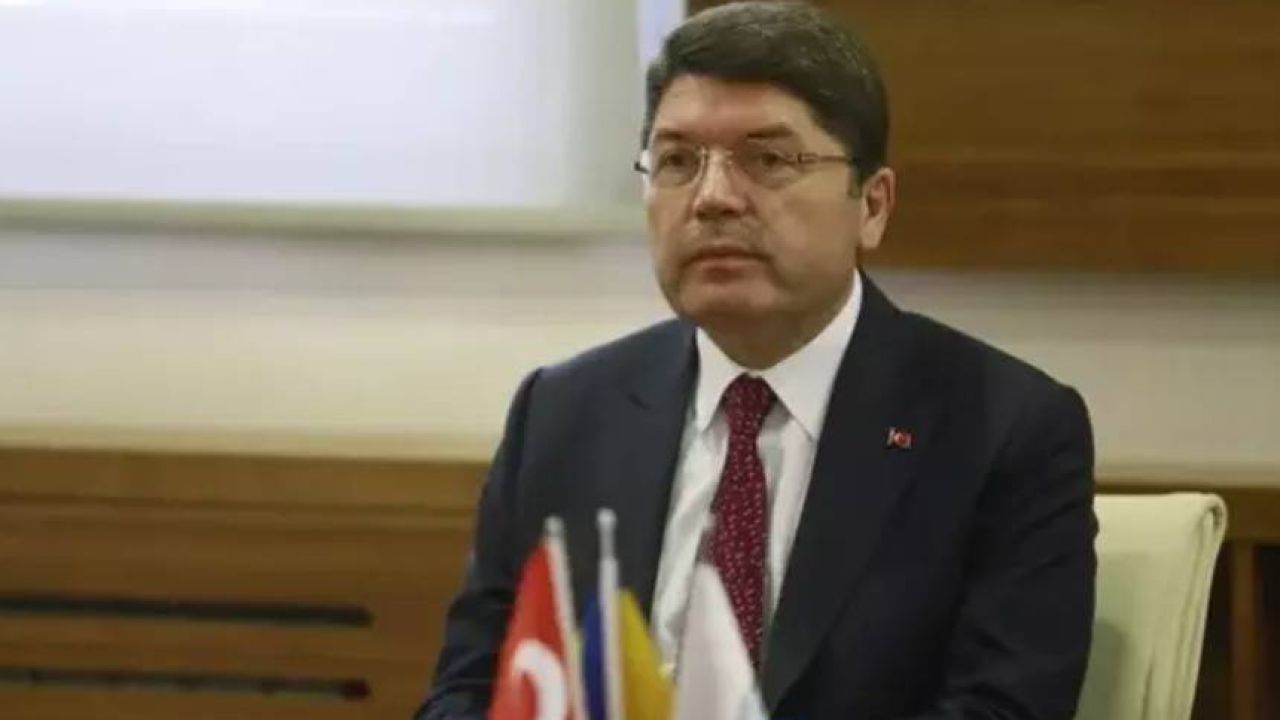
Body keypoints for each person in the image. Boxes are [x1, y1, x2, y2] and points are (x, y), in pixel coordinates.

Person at [417, 2, 1096, 718]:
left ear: (872, 206)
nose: (712, 199)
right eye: (678, 161)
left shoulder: (1002, 429)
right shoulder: (563, 413)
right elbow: (468, 693)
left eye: (769, 160)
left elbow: (1002, 711)